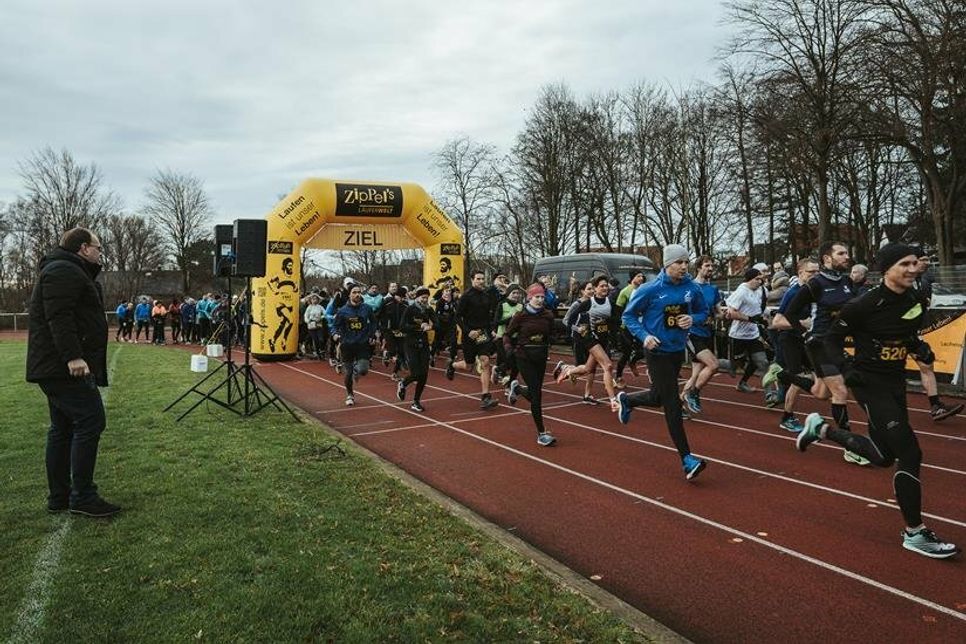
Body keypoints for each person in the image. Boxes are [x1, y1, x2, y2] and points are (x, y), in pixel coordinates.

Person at [795, 244, 959, 559]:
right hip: (869, 384)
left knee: (884, 456)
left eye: (915, 263)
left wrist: (918, 348)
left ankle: (822, 430)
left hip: (895, 382)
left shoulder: (914, 299)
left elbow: (906, 333)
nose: (913, 269)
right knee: (909, 452)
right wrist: (846, 369)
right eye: (904, 264)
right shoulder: (863, 304)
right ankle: (915, 533)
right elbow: (829, 340)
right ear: (886, 269)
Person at [26, 227, 120, 517]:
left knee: (63, 428)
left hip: (55, 367)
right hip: (62, 367)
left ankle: (60, 497)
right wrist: (73, 357)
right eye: (98, 248)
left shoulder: (67, 269)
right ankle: (82, 496)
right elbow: (59, 317)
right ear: (83, 248)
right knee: (91, 420)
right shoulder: (64, 270)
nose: (100, 253)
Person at [617, 244, 710, 480]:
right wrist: (645, 337)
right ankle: (687, 459)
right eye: (679, 262)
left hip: (677, 350)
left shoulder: (692, 288)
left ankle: (627, 400)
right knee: (672, 404)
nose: (684, 267)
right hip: (656, 351)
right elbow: (628, 316)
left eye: (686, 262)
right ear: (668, 264)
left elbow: (703, 312)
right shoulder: (650, 289)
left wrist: (692, 319)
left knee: (657, 397)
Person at [778, 241, 866, 465]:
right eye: (841, 253)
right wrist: (805, 335)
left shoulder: (846, 282)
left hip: (837, 344)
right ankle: (849, 446)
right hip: (819, 344)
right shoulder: (815, 284)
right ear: (827, 259)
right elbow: (790, 314)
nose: (847, 257)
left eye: (847, 253)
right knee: (840, 391)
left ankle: (786, 377)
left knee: (821, 392)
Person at [768, 258, 821, 432]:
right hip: (790, 339)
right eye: (811, 272)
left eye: (817, 272)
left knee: (819, 379)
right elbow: (776, 322)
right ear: (800, 273)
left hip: (806, 340)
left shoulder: (817, 291)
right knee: (798, 380)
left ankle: (782, 375)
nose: (815, 275)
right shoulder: (793, 293)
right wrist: (802, 323)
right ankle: (787, 417)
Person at [911, 250, 962, 421]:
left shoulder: (924, 281)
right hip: (891, 333)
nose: (927, 263)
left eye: (928, 259)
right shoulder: (901, 280)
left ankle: (936, 406)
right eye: (923, 259)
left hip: (910, 333)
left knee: (927, 364)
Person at [555, 275, 619, 410]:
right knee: (607, 366)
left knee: (588, 369)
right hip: (590, 339)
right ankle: (613, 401)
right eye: (601, 286)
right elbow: (570, 320)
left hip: (602, 339)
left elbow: (618, 319)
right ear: (595, 288)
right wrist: (578, 330)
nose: (605, 288)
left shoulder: (610, 303)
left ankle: (568, 370)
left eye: (606, 286)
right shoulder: (588, 303)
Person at [505, 284, 558, 446]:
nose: (540, 300)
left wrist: (551, 341)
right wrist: (509, 349)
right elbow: (507, 335)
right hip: (524, 357)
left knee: (536, 392)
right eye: (537, 297)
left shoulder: (548, 315)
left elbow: (551, 334)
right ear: (529, 298)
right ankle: (541, 433)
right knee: (536, 396)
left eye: (542, 297)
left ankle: (518, 389)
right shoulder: (520, 316)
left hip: (540, 357)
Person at [446, 270, 500, 410]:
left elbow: (489, 316)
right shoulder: (466, 296)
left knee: (485, 361)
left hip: (482, 334)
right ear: (472, 280)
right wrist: (468, 331)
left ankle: (485, 397)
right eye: (478, 279)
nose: (481, 281)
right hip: (469, 334)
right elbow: (457, 317)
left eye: (483, 279)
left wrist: (491, 330)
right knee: (469, 365)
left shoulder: (486, 296)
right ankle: (452, 365)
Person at [681, 256, 723, 414]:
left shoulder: (713, 289)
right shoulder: (690, 287)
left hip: (707, 333)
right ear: (699, 268)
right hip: (692, 334)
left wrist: (722, 315)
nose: (710, 268)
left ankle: (679, 403)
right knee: (713, 365)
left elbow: (718, 312)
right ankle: (693, 393)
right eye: (707, 265)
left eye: (712, 266)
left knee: (695, 376)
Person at [725, 268, 770, 393]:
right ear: (749, 279)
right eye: (757, 279)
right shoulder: (741, 292)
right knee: (735, 366)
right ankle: (709, 363)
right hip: (738, 335)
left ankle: (769, 394)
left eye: (761, 279)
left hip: (753, 335)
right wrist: (750, 319)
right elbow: (730, 313)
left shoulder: (759, 291)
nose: (760, 282)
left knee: (762, 362)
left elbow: (758, 309)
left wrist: (765, 316)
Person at [332, 283, 377, 406]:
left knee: (363, 370)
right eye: (354, 292)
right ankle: (350, 394)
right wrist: (335, 334)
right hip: (347, 344)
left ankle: (357, 372)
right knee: (348, 372)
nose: (357, 294)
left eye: (359, 292)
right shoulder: (342, 311)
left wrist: (372, 334)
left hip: (362, 343)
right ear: (349, 295)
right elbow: (335, 326)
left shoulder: (366, 308)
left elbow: (373, 322)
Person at [396, 287, 437, 412]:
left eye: (426, 298)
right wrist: (418, 326)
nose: (425, 300)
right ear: (417, 297)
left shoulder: (429, 310)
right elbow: (402, 327)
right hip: (410, 344)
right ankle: (403, 383)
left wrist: (430, 326)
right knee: (416, 373)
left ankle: (416, 401)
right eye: (423, 297)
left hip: (423, 344)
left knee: (424, 375)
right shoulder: (410, 309)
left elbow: (438, 324)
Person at [613, 271, 647, 388]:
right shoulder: (625, 291)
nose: (641, 278)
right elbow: (618, 310)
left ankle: (633, 362)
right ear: (632, 278)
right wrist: (622, 323)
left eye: (642, 276)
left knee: (645, 350)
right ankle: (618, 377)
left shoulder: (644, 290)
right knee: (626, 353)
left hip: (640, 325)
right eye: (638, 276)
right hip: (626, 327)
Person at [303, 293, 326, 359]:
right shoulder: (309, 307)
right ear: (311, 300)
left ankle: (322, 351)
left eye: (316, 299)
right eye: (313, 299)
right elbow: (305, 316)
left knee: (321, 339)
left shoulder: (320, 307)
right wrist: (308, 321)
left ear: (318, 300)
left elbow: (325, 313)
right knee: (315, 340)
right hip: (311, 326)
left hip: (319, 325)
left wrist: (321, 317)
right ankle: (318, 352)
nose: (314, 300)